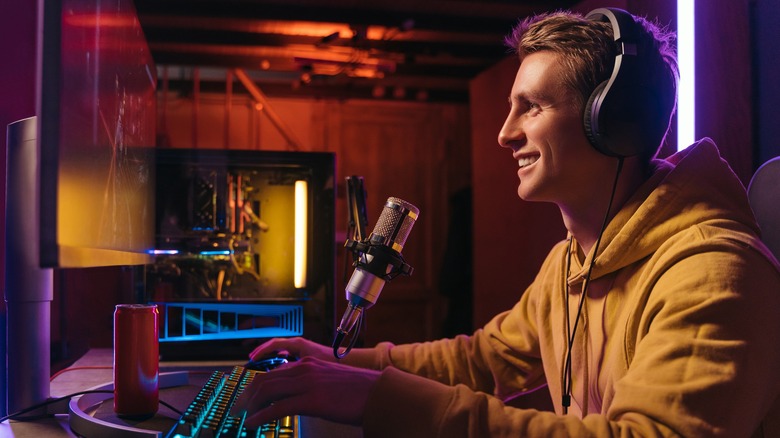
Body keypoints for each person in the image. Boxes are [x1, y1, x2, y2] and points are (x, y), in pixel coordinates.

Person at [233, 8, 780, 437]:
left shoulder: (714, 273)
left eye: (532, 107)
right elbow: (484, 359)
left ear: (614, 123)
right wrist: (343, 367)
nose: (505, 133)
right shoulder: (570, 260)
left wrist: (375, 400)